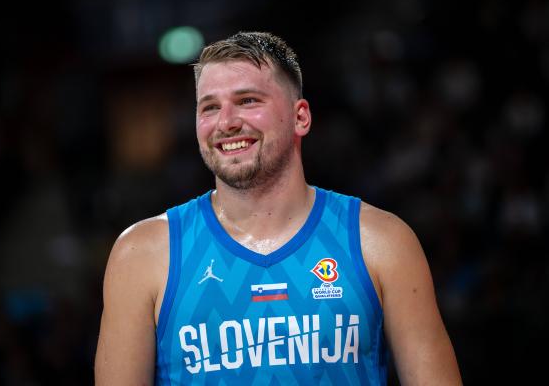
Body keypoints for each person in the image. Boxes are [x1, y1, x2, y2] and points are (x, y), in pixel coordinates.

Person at [95, 31, 462, 385]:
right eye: (209, 107)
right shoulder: (142, 254)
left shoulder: (381, 242)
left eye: (248, 101)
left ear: (300, 117)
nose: (226, 122)